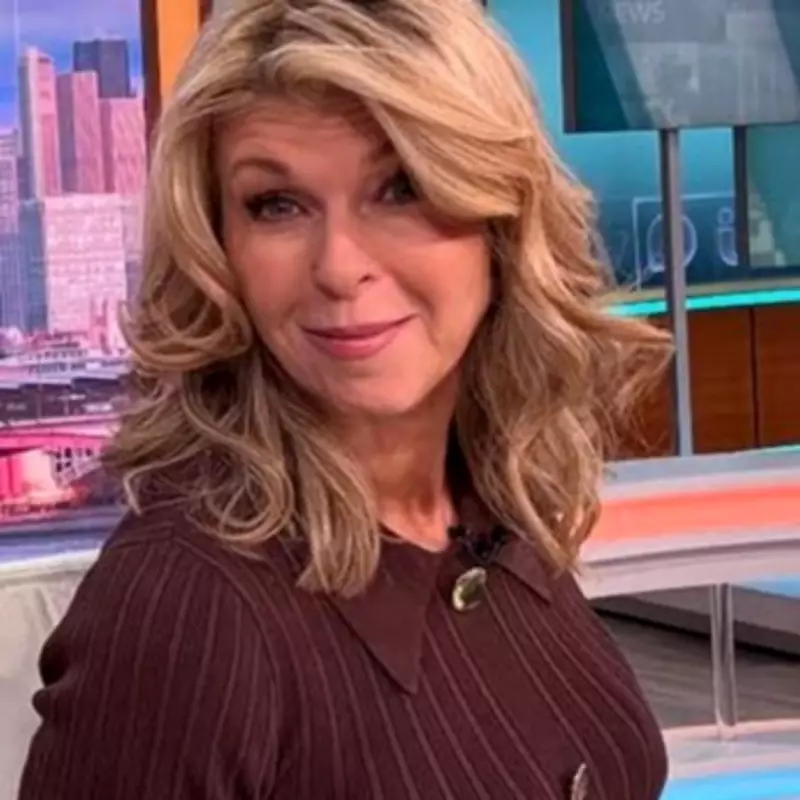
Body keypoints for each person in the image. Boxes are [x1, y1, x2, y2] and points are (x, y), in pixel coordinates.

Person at [18, 0, 672, 798]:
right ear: (219, 249)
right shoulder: (186, 604)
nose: (338, 266)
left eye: (400, 189)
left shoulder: (489, 505)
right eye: (276, 205)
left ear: (500, 219)